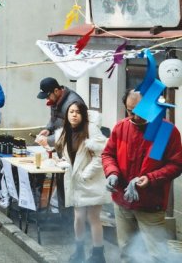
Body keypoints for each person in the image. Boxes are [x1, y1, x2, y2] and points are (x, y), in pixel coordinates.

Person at [102, 90, 182, 262]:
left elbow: (176, 165)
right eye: (130, 111)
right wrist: (112, 173)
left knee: (157, 255)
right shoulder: (121, 127)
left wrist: (150, 178)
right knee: (126, 251)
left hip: (150, 203)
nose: (135, 116)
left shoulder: (165, 131)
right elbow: (108, 155)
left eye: (140, 111)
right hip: (122, 200)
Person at [54, 102, 109, 263]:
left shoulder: (91, 130)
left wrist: (86, 173)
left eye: (78, 112)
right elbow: (68, 156)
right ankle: (79, 251)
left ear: (83, 114)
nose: (74, 115)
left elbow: (102, 154)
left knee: (93, 217)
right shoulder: (65, 131)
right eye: (71, 112)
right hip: (76, 181)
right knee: (78, 217)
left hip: (92, 180)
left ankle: (98, 255)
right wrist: (62, 162)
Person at [36, 77, 85, 147]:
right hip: (61, 144)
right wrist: (48, 129)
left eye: (48, 96)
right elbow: (53, 118)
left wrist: (49, 140)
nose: (47, 99)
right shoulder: (55, 99)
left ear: (56, 91)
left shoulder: (73, 103)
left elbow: (73, 131)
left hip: (74, 146)